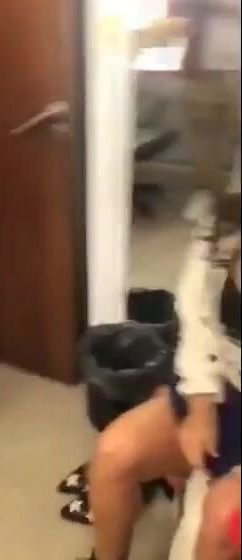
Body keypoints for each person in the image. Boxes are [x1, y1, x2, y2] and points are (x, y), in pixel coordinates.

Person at [88, 192, 240, 560]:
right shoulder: (226, 221)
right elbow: (196, 313)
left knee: (222, 520)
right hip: (226, 389)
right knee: (112, 454)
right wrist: (199, 405)